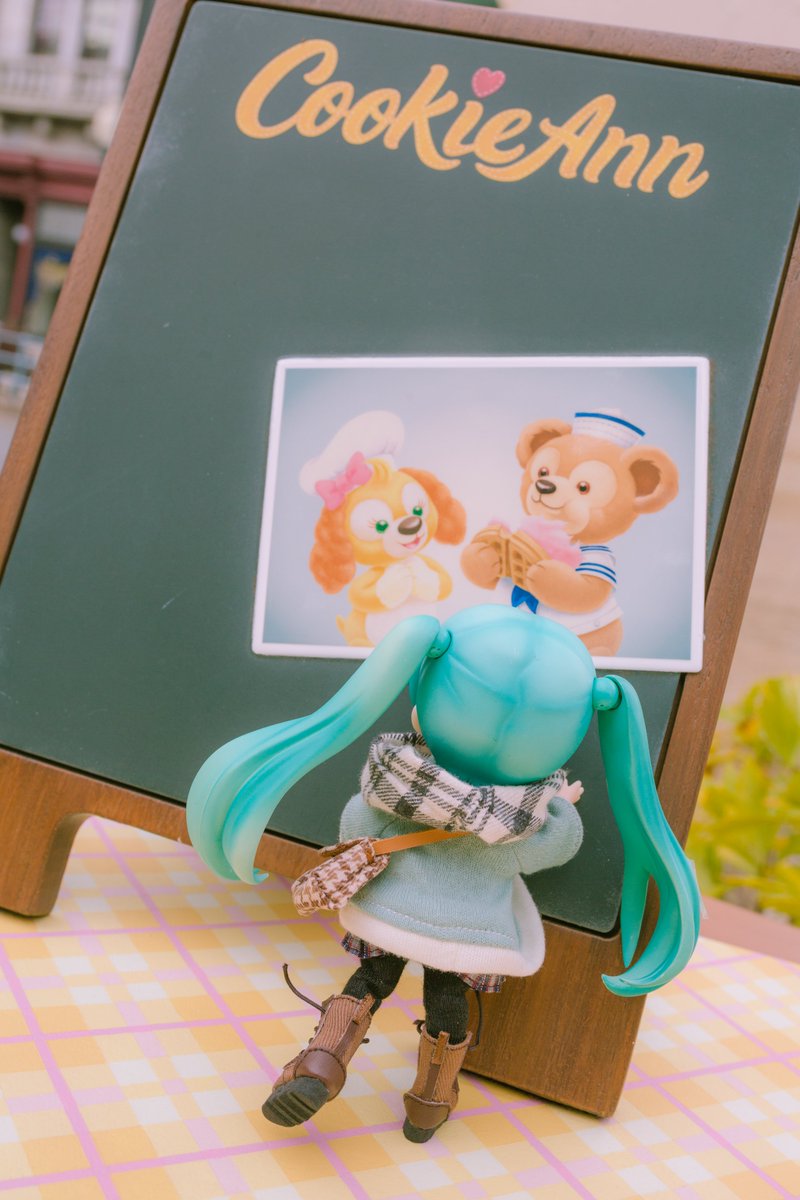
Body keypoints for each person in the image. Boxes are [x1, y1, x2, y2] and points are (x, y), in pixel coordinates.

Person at [187, 606, 700, 1141]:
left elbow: (356, 823)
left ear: (422, 704)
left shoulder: (395, 780)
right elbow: (558, 847)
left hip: (390, 910)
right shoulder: (527, 822)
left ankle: (321, 1061)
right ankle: (431, 1100)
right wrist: (556, 805)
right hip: (469, 933)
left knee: (371, 980)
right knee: (447, 1000)